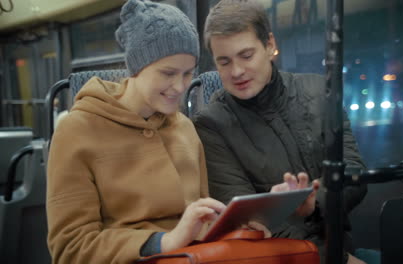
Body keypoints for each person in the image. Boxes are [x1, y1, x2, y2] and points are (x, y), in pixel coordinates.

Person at [46, 1, 228, 263]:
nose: (179, 87)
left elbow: (199, 218)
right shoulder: (76, 131)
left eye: (188, 73)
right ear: (135, 68)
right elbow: (71, 247)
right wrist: (162, 242)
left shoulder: (185, 128)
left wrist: (233, 227)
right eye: (167, 73)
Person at [193, 1, 373, 263]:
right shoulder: (211, 126)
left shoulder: (319, 92)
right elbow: (250, 226)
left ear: (270, 45)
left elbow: (355, 175)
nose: (237, 71)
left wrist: (315, 204)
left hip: (342, 248)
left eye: (246, 55)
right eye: (224, 62)